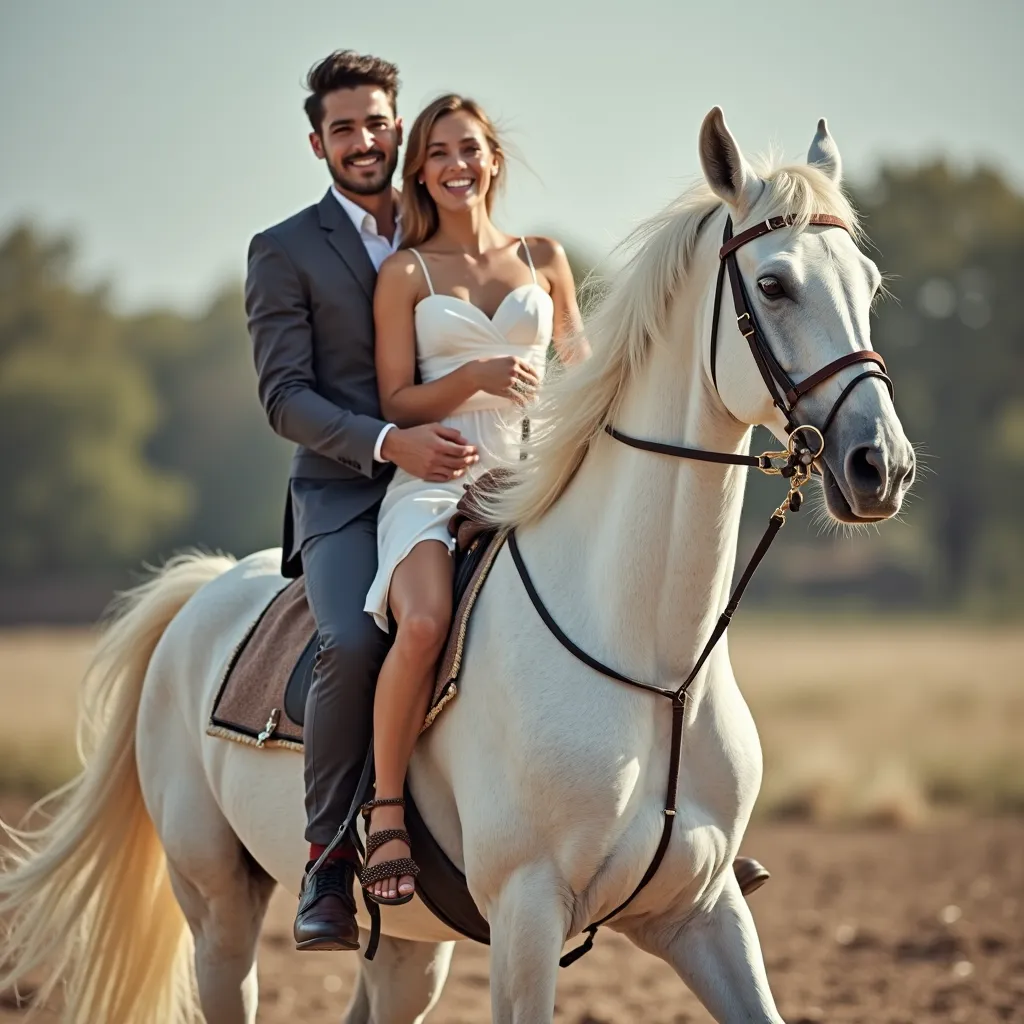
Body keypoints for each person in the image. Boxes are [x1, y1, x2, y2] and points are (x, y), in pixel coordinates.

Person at [246, 51, 478, 952]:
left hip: (465, 477)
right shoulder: (285, 249)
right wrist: (387, 441)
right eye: (343, 128)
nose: (364, 141)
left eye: (377, 123)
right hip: (346, 493)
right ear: (318, 143)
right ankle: (326, 861)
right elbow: (285, 398)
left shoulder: (448, 226)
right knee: (354, 637)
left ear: (399, 128)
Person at [356, 93, 589, 904]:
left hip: (531, 480)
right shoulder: (405, 273)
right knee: (421, 624)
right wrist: (470, 380)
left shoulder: (545, 257)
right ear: (419, 171)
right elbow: (392, 400)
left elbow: (581, 373)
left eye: (471, 149)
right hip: (434, 481)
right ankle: (386, 809)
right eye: (439, 154)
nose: (458, 166)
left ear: (495, 158)